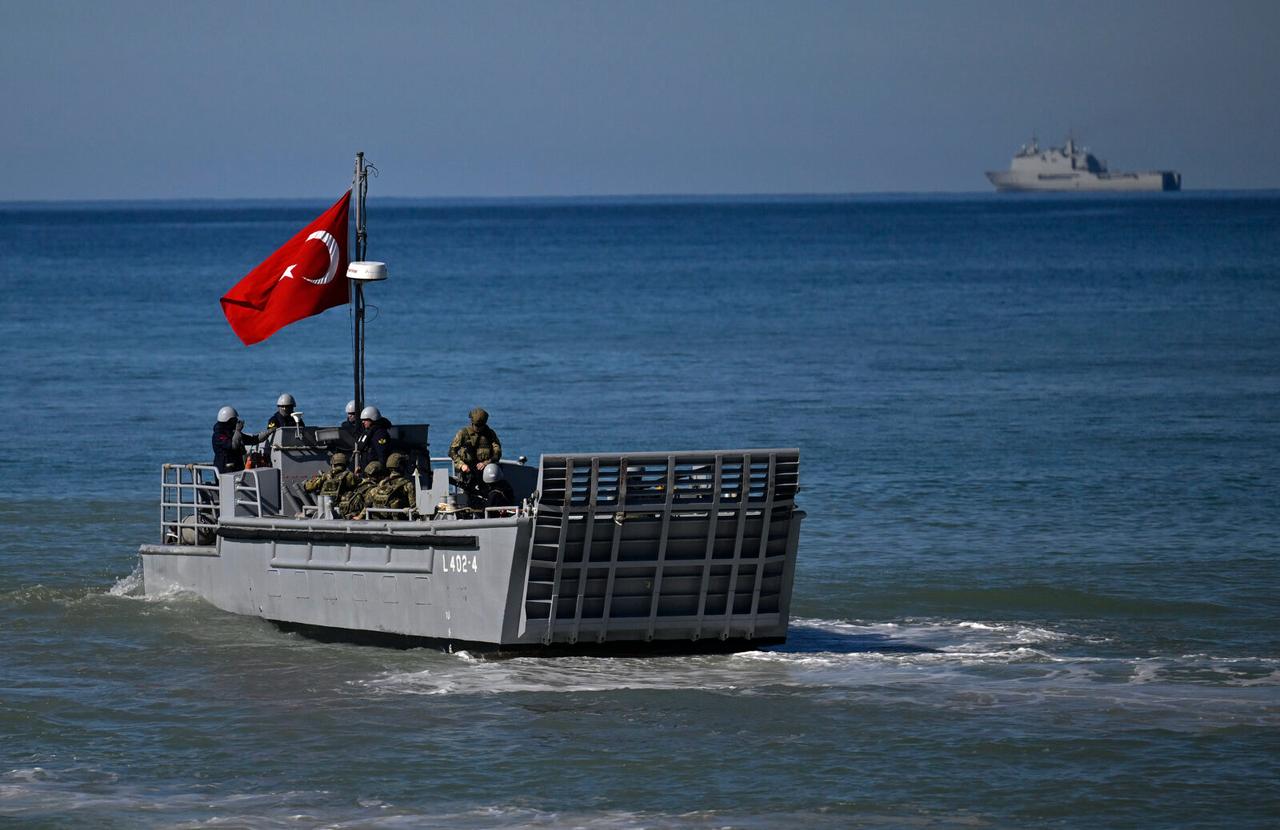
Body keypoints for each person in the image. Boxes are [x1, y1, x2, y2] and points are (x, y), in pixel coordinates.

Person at [449, 407, 501, 491]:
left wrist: (486, 463)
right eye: (476, 425)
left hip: (486, 471)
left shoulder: (490, 434)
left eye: (480, 425)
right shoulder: (463, 433)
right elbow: (452, 451)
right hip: (467, 471)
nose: (478, 428)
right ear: (472, 422)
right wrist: (461, 465)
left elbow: (497, 452)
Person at [211, 406, 263, 473]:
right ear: (229, 421)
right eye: (234, 420)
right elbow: (233, 445)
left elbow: (252, 440)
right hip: (225, 470)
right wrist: (238, 431)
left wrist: (267, 433)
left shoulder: (232, 432)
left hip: (237, 468)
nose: (236, 422)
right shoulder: (218, 435)